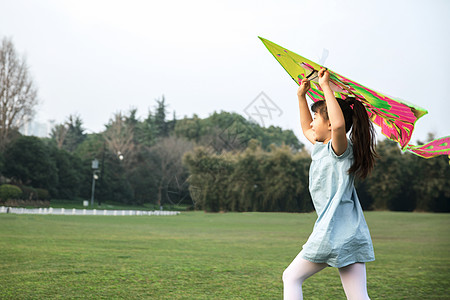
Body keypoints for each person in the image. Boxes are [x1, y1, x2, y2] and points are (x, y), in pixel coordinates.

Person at [282, 68, 377, 300]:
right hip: (352, 233)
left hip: (331, 232)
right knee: (358, 296)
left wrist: (326, 87)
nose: (312, 124)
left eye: (317, 118)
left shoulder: (339, 150)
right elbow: (307, 128)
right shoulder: (321, 148)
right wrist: (300, 96)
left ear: (330, 124)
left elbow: (338, 127)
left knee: (291, 277)